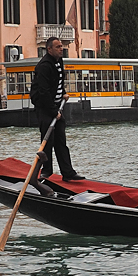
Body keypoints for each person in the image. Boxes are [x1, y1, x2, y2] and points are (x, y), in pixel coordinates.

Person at [29, 36, 84, 181]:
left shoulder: (59, 61)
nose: (61, 49)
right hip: (44, 108)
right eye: (58, 47)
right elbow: (43, 91)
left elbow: (58, 81)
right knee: (47, 141)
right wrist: (53, 112)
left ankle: (68, 172)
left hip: (56, 107)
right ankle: (47, 171)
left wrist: (63, 92)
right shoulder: (44, 66)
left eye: (61, 46)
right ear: (49, 49)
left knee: (61, 140)